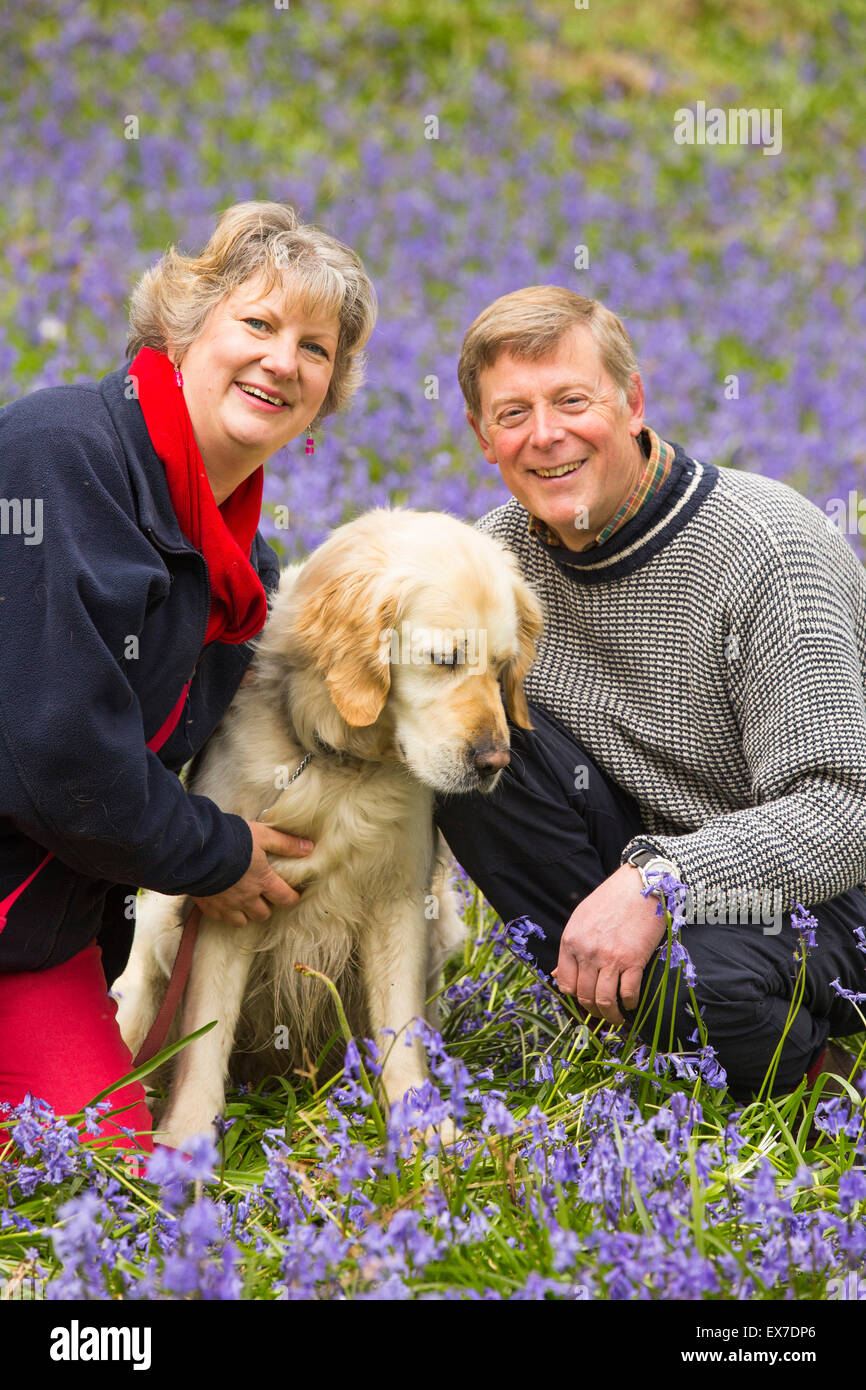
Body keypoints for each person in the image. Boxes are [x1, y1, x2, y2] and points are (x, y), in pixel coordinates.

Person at [0, 201, 377, 1158]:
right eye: (257, 325)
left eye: (315, 350)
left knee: (102, 1160)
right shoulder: (62, 456)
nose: (283, 362)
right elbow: (58, 753)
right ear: (182, 329)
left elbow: (261, 764)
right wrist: (214, 854)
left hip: (42, 929)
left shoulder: (249, 564)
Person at [434, 284, 866, 1103]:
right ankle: (619, 997)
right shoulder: (494, 560)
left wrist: (658, 881)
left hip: (836, 887)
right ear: (483, 436)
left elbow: (844, 812)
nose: (546, 435)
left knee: (693, 979)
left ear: (633, 402)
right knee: (463, 724)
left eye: (572, 400)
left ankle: (824, 1085)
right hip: (661, 869)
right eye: (513, 413)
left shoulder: (766, 550)